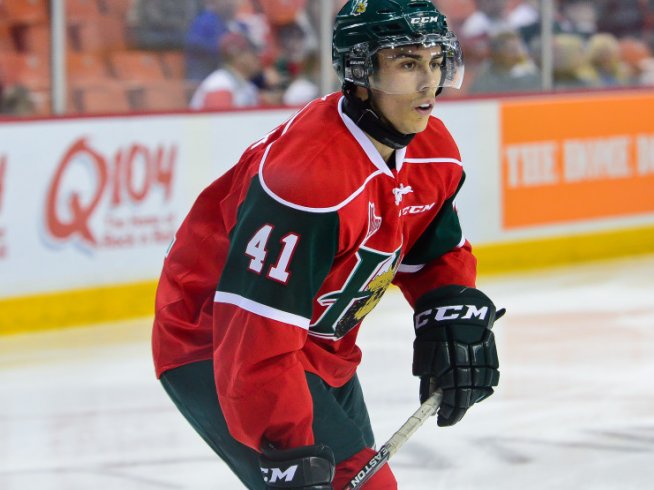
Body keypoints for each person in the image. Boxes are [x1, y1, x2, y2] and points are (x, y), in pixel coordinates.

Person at [152, 0, 502, 488]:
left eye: (435, 61)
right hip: (216, 341)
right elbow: (255, 331)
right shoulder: (310, 180)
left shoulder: (431, 149)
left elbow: (433, 249)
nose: (429, 84)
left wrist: (449, 311)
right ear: (360, 72)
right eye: (407, 63)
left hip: (315, 337)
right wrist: (288, 446)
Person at [189, 32, 263, 110]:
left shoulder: (245, 85)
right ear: (238, 57)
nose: (258, 57)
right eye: (253, 52)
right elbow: (219, 120)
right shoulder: (220, 84)